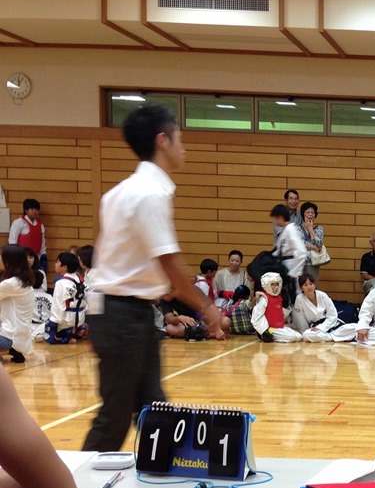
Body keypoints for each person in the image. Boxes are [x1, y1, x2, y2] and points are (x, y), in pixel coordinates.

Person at [82, 104, 225, 453]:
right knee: (115, 415)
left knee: (154, 407)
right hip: (120, 314)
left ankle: (160, 475)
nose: (184, 147)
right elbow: (170, 264)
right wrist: (207, 308)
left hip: (128, 312)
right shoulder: (148, 194)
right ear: (163, 140)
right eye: (180, 139)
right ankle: (73, 486)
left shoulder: (120, 192)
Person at [0, 244, 35, 363]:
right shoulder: (23, 280)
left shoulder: (11, 284)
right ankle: (10, 351)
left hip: (10, 337)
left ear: (8, 261)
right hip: (19, 336)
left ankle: (7, 350)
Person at [45, 251, 88, 344]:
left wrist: (53, 323)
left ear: (64, 267)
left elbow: (57, 306)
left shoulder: (61, 283)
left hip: (66, 320)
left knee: (38, 334)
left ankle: (65, 335)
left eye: (57, 262)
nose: (55, 264)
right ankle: (78, 329)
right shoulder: (82, 281)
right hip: (80, 318)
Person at [252, 271, 302, 343]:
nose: (275, 287)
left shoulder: (278, 297)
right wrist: (263, 331)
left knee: (299, 336)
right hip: (270, 329)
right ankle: (268, 336)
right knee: (292, 337)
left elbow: (280, 315)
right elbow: (256, 316)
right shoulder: (264, 299)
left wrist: (286, 306)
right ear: (266, 285)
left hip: (280, 327)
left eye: (277, 284)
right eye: (272, 284)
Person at [271, 204, 307, 293]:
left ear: (280, 217)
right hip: (285, 266)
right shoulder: (286, 229)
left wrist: (294, 272)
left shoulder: (291, 229)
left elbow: (301, 251)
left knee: (293, 295)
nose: (275, 221)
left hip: (290, 266)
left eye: (275, 218)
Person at [8, 197, 47, 274]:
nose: (35, 211)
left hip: (35, 259)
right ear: (26, 210)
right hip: (21, 258)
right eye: (32, 209)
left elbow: (42, 242)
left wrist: (43, 255)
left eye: (36, 209)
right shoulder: (18, 223)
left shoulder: (40, 225)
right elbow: (12, 241)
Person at [298, 201, 326, 282]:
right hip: (299, 263)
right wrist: (313, 247)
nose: (310, 214)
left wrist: (310, 229)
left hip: (313, 263)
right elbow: (298, 245)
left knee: (312, 286)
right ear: (303, 214)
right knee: (298, 286)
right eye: (307, 212)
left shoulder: (319, 229)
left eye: (312, 212)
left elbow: (319, 244)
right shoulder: (296, 228)